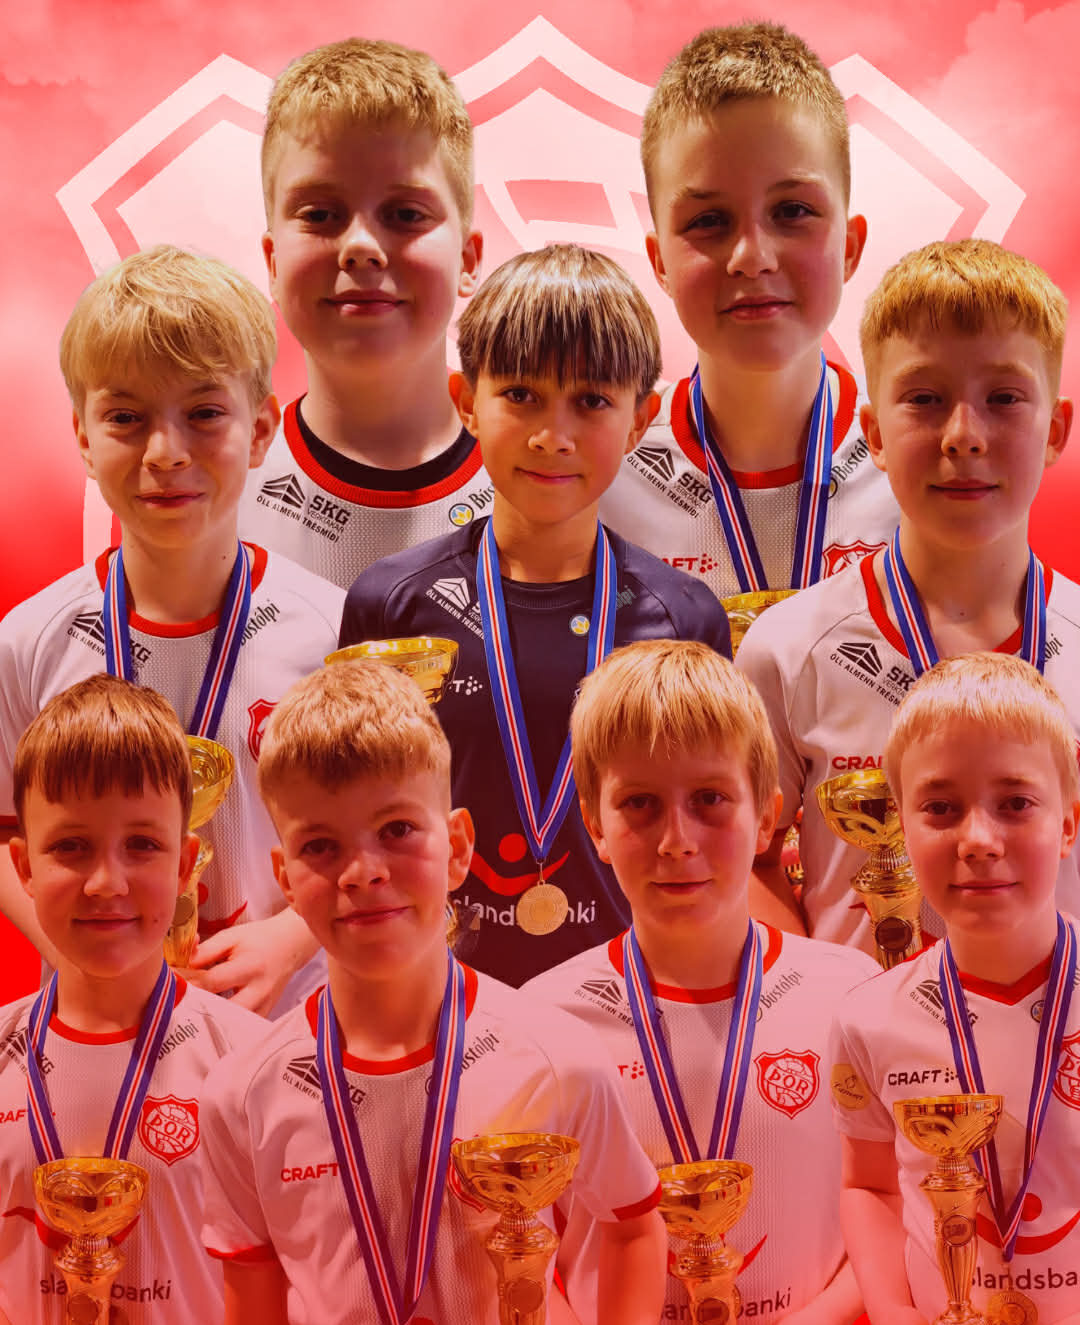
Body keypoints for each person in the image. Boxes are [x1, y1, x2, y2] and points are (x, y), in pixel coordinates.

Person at [199, 660, 667, 1325]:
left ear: (457, 848)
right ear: (285, 879)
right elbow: (253, 1318)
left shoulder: (554, 1055)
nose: (364, 872)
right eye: (321, 845)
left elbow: (634, 1226)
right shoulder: (242, 1094)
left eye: (395, 830)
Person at [339, 244, 732, 986]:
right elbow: (351, 817)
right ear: (465, 401)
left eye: (591, 401)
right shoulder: (391, 605)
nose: (553, 435)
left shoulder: (683, 619)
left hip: (634, 1002)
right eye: (521, 394)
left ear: (641, 418)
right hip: (438, 1000)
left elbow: (709, 832)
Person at [0, 245, 345, 1015]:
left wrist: (293, 937)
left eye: (204, 414)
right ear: (83, 436)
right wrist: (87, 961)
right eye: (126, 418)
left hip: (293, 1024)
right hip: (109, 1029)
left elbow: (383, 831)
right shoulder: (27, 644)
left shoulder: (333, 632)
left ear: (262, 429)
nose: (165, 453)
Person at [524, 640, 877, 1325]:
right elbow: (516, 1246)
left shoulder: (851, 995)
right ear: (594, 824)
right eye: (640, 804)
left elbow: (889, 1197)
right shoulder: (541, 1021)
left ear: (768, 818)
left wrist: (818, 1324)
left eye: (710, 799)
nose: (677, 840)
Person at [736, 239, 1078, 946]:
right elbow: (744, 861)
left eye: (1004, 398)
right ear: (875, 434)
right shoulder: (789, 649)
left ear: (1055, 430)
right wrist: (811, 991)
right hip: (856, 1023)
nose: (964, 436)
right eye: (925, 399)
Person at [0, 676, 267, 1325]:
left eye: (142, 845)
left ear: (184, 864)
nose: (106, 882)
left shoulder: (255, 1064)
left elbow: (287, 1286)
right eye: (71, 846)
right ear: (23, 866)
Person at [832, 652, 1080, 1325]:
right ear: (902, 826)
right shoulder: (867, 1017)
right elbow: (870, 1187)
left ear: (1068, 824)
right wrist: (891, 1310)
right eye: (940, 808)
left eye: (1015, 803)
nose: (977, 840)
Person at [600, 22, 897, 602]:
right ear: (660, 262)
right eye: (708, 221)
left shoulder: (920, 457)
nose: (753, 257)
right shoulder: (597, 470)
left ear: (850, 246)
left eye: (792, 211)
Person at [239, 36, 492, 589]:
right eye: (320, 214)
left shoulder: (568, 474)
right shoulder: (211, 493)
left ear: (468, 260)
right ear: (273, 263)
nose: (360, 246)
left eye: (405, 213)